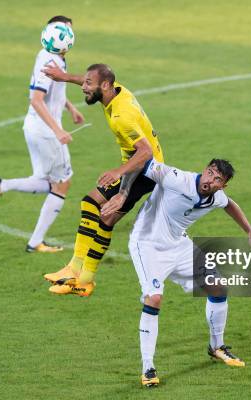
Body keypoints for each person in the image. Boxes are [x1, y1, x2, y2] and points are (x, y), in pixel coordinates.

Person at [126, 158, 251, 387]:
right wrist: (121, 194)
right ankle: (148, 367)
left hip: (178, 245)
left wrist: (250, 231)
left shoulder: (217, 196)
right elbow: (141, 164)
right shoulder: (177, 178)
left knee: (217, 286)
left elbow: (229, 204)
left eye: (218, 179)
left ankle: (217, 347)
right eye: (210, 173)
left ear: (223, 185)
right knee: (155, 297)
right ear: (204, 170)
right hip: (146, 244)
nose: (210, 180)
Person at [42, 63, 164, 296]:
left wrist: (120, 179)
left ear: (105, 86)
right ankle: (79, 275)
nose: (84, 87)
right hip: (138, 165)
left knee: (101, 212)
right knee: (98, 210)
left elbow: (145, 152)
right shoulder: (114, 90)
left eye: (89, 84)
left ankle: (81, 275)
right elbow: (90, 82)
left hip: (147, 170)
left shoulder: (122, 116)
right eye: (85, 82)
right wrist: (64, 77)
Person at [0, 16, 84, 253]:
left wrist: (70, 107)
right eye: (64, 30)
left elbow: (52, 90)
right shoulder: (52, 61)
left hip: (33, 128)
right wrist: (58, 130)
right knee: (62, 184)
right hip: (47, 132)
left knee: (46, 181)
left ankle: (1, 185)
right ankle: (36, 241)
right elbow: (36, 99)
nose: (66, 34)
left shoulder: (48, 55)